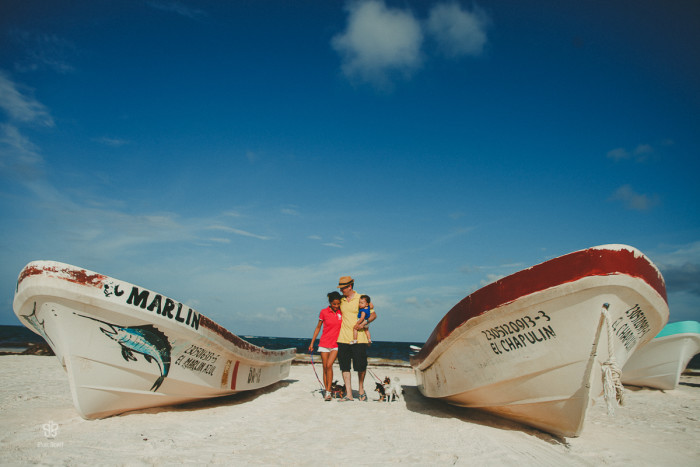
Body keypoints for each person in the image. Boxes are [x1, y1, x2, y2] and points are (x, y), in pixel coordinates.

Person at [335, 275, 376, 401]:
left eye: (343, 288)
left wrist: (363, 324)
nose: (341, 291)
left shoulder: (362, 298)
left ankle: (361, 389)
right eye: (340, 289)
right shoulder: (341, 300)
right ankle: (349, 393)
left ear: (350, 286)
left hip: (360, 338)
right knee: (344, 366)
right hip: (343, 338)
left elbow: (373, 315)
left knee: (361, 366)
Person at [308, 291, 343, 401]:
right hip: (324, 343)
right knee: (324, 367)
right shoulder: (324, 312)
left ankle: (328, 391)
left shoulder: (342, 312)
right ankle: (327, 392)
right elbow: (318, 328)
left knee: (329, 365)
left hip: (336, 344)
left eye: (338, 304)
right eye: (334, 304)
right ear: (330, 303)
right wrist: (312, 343)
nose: (336, 306)